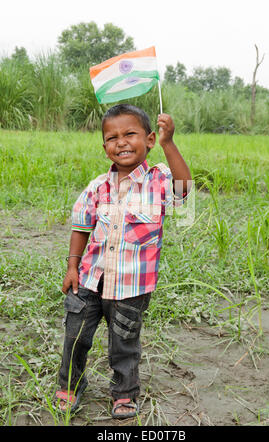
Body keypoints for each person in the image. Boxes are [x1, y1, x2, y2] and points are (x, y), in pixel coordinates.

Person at [55, 104, 192, 418]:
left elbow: (184, 193)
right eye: (112, 137)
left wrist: (171, 144)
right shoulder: (97, 187)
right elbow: (80, 226)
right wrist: (72, 266)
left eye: (130, 134)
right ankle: (70, 386)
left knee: (124, 343)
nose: (121, 142)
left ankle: (124, 393)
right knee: (75, 338)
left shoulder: (159, 181)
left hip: (132, 285)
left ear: (150, 139)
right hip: (89, 280)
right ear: (105, 149)